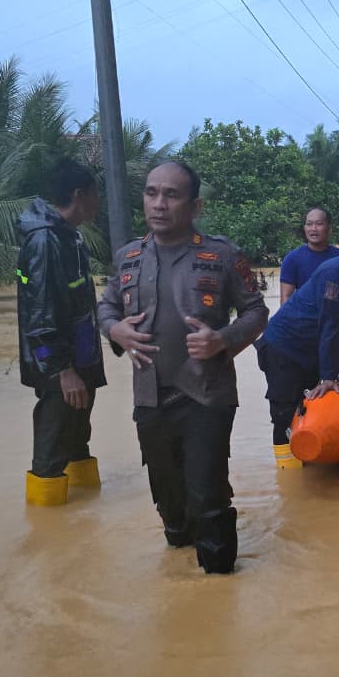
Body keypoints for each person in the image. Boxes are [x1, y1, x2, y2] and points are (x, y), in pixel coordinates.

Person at [97, 160, 268, 575]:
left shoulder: (223, 255)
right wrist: (115, 330)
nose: (159, 203)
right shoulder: (128, 257)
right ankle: (179, 568)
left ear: (195, 206)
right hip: (150, 396)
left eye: (171, 195)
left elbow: (256, 312)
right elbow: (106, 307)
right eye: (151, 193)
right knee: (168, 497)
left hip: (205, 395)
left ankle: (219, 583)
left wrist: (221, 340)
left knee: (207, 493)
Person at [255, 220, 339, 468]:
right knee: (284, 412)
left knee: (311, 408)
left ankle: (311, 466)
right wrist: (328, 376)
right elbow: (332, 324)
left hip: (314, 349)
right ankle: (288, 477)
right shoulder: (335, 274)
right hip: (284, 345)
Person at [16, 157, 106, 506]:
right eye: (96, 193)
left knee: (77, 437)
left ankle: (81, 522)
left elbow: (79, 302)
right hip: (57, 362)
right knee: (52, 444)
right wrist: (63, 371)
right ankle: (45, 521)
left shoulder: (69, 237)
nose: (99, 201)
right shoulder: (45, 241)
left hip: (79, 356)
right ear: (80, 194)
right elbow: (40, 314)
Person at [278, 206, 339, 306]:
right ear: (304, 228)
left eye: (319, 224)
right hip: (303, 314)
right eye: (309, 224)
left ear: (329, 228)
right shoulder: (292, 259)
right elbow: (286, 298)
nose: (313, 229)